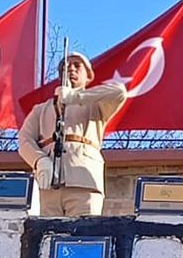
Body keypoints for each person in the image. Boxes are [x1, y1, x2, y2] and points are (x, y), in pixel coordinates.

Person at [17, 51, 126, 217]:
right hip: (48, 182)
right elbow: (24, 140)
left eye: (77, 65)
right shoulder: (41, 109)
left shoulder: (96, 105)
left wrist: (76, 97)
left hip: (84, 181)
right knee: (48, 231)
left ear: (88, 76)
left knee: (83, 230)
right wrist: (39, 160)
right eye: (65, 67)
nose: (71, 69)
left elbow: (119, 92)